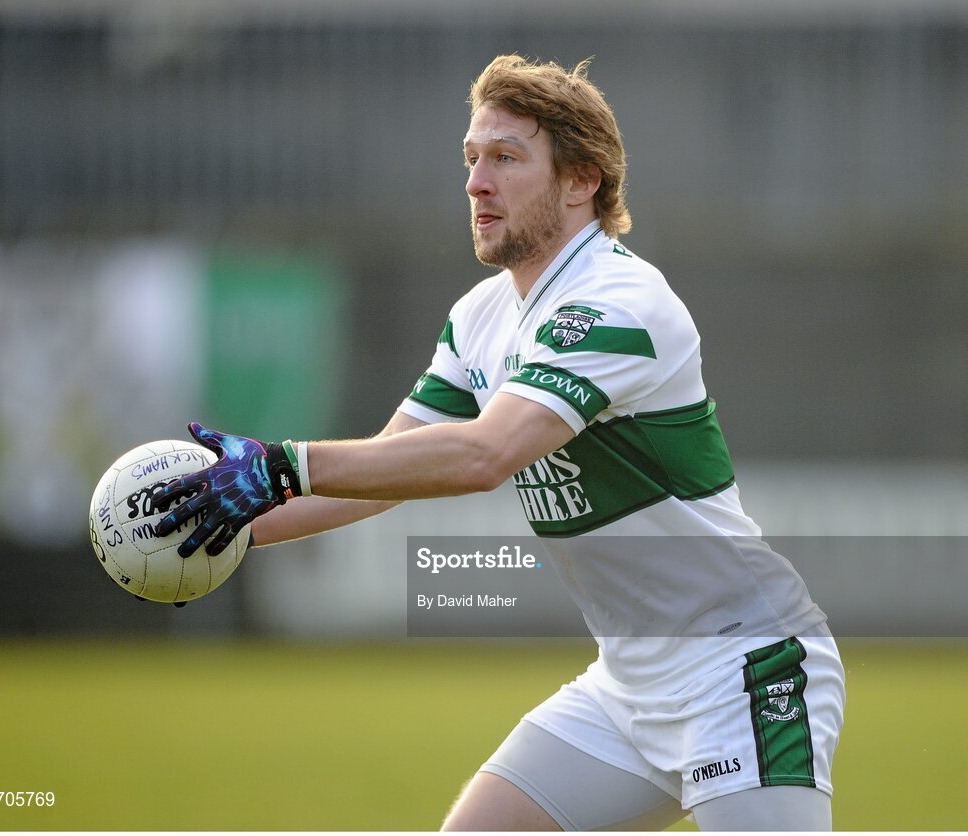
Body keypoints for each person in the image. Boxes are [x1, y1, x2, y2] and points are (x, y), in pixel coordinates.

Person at [153, 55, 845, 831]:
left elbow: (489, 454)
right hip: (627, 691)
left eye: (506, 159)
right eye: (471, 159)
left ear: (581, 180)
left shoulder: (618, 302)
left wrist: (283, 463)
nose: (477, 183)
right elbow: (380, 474)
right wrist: (207, 522)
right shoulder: (482, 316)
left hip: (742, 668)